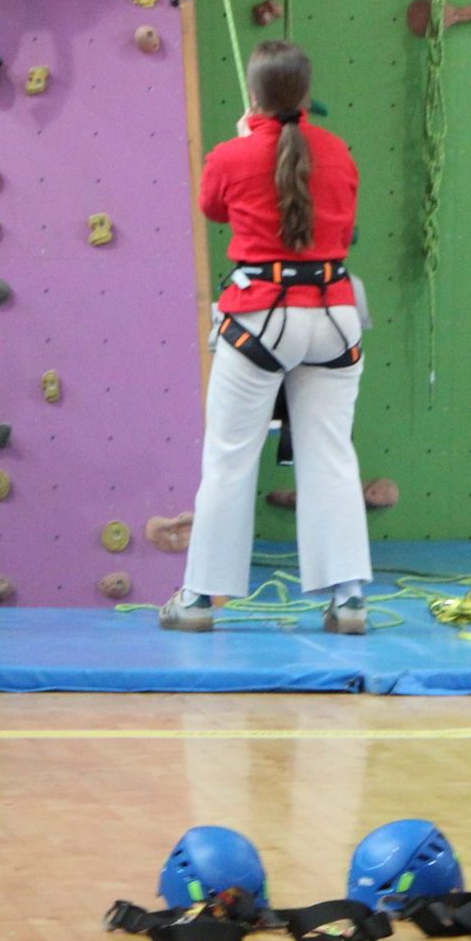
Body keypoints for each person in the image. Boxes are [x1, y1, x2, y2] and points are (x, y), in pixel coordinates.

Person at [159, 40, 372, 635]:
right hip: (332, 314)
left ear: (254, 94)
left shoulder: (231, 154)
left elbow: (213, 209)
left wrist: (247, 137)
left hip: (259, 317)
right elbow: (344, 221)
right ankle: (349, 597)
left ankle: (200, 598)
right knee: (331, 455)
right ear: (306, 95)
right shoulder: (339, 153)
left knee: (230, 457)